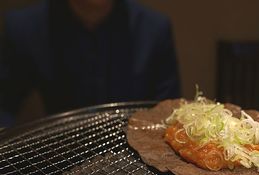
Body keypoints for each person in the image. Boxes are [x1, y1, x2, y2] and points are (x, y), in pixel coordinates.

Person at [0, 0, 181, 126]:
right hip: (64, 156)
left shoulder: (154, 29)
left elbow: (167, 110)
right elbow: (5, 103)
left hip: (137, 156)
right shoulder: (25, 27)